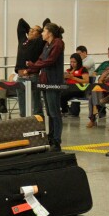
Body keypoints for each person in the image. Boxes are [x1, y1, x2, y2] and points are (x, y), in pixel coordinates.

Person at [25, 22, 65, 152]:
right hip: (45, 81)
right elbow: (41, 59)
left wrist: (33, 66)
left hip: (53, 81)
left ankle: (57, 141)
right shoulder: (47, 45)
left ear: (50, 33)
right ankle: (51, 136)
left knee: (54, 113)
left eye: (44, 31)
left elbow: (50, 61)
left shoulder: (58, 43)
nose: (42, 33)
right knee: (49, 112)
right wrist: (30, 69)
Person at [15, 18, 50, 118]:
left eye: (34, 30)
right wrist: (30, 30)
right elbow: (21, 22)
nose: (30, 31)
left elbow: (47, 21)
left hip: (33, 77)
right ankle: (24, 124)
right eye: (30, 29)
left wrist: (41, 31)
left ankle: (39, 125)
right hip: (20, 78)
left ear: (40, 34)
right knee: (22, 105)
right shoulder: (23, 40)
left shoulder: (39, 42)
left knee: (36, 105)